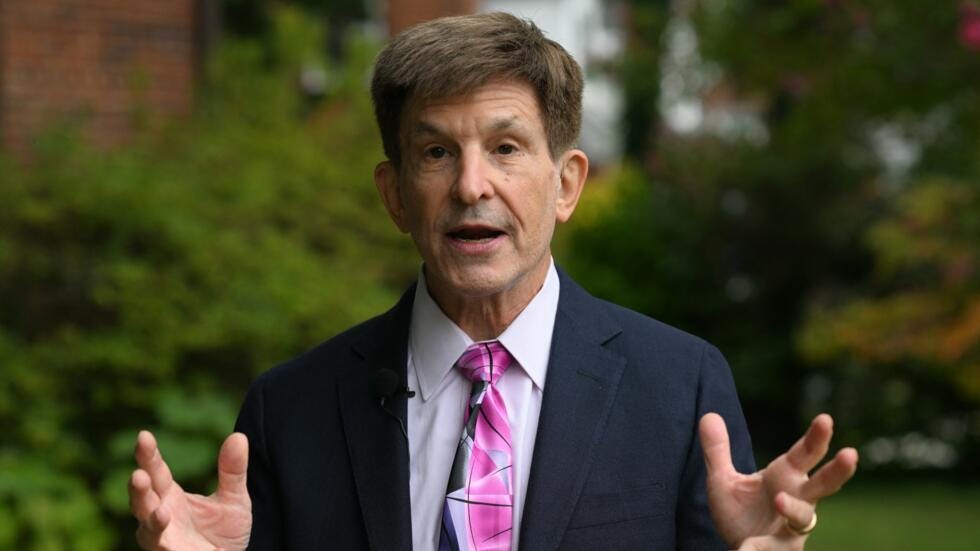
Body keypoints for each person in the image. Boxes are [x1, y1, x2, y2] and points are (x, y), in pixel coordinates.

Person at [128, 12, 858, 551]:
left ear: (567, 183)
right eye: (437, 151)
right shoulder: (290, 409)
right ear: (394, 194)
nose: (471, 184)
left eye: (506, 148)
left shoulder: (681, 386)